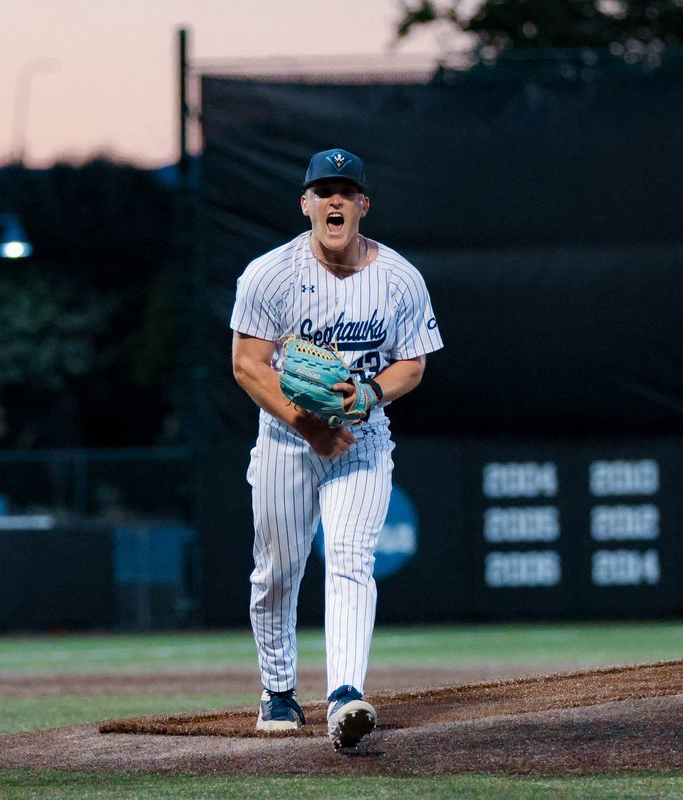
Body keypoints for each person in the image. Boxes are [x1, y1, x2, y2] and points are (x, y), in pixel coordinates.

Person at [229, 148, 443, 749]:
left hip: (363, 439)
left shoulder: (399, 278)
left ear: (363, 205)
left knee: (350, 557)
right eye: (323, 190)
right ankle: (278, 689)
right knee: (277, 568)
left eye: (346, 191)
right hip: (284, 440)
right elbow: (248, 366)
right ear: (305, 204)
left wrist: (370, 394)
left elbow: (414, 365)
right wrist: (309, 425)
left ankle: (346, 694)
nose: (334, 200)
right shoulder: (269, 274)